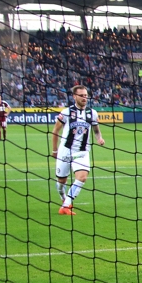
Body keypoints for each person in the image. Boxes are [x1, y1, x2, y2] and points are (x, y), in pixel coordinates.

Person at [51, 85, 105, 215]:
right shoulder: (66, 112)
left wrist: (99, 138)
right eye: (81, 95)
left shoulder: (92, 113)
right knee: (61, 182)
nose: (84, 98)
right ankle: (64, 197)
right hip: (65, 151)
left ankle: (66, 205)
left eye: (86, 95)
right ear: (74, 96)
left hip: (82, 152)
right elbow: (55, 131)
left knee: (82, 177)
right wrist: (54, 151)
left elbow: (96, 131)